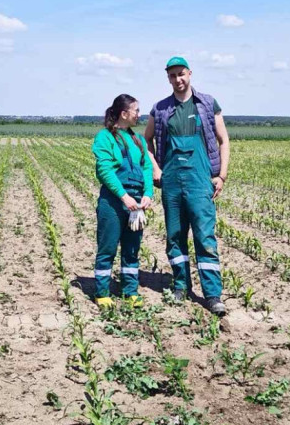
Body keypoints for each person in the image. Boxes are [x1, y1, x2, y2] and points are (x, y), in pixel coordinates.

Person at [144, 57, 229, 316]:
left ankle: (212, 294)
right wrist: (156, 168)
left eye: (181, 74)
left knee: (204, 237)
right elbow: (145, 141)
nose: (178, 79)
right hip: (171, 183)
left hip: (200, 180)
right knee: (175, 236)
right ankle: (181, 285)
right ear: (168, 78)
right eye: (172, 76)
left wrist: (221, 176)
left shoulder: (206, 103)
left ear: (190, 73)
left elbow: (223, 140)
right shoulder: (160, 109)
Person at [91, 94, 155, 309]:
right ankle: (102, 292)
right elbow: (105, 170)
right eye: (136, 110)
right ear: (124, 113)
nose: (139, 114)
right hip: (114, 201)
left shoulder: (137, 140)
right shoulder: (105, 137)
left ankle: (130, 290)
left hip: (136, 202)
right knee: (107, 248)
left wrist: (147, 194)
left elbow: (146, 167)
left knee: (131, 249)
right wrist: (123, 196)